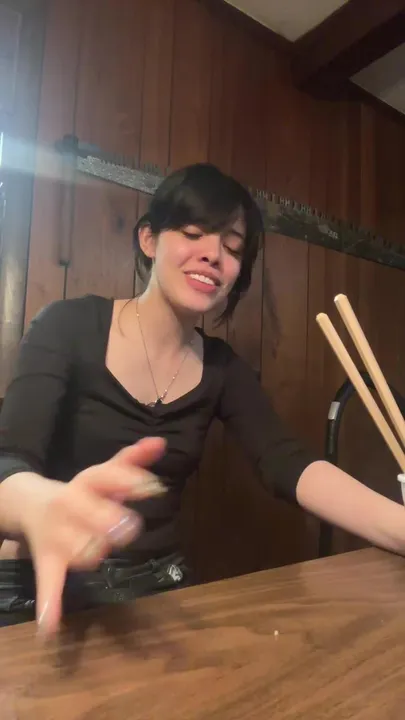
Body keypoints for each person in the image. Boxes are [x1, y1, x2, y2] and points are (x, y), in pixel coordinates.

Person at [0, 163, 404, 637]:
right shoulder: (68, 325)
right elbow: (10, 461)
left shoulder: (222, 370)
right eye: (193, 233)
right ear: (149, 240)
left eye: (232, 248)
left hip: (155, 585)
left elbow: (289, 463)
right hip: (34, 581)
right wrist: (39, 504)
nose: (213, 254)